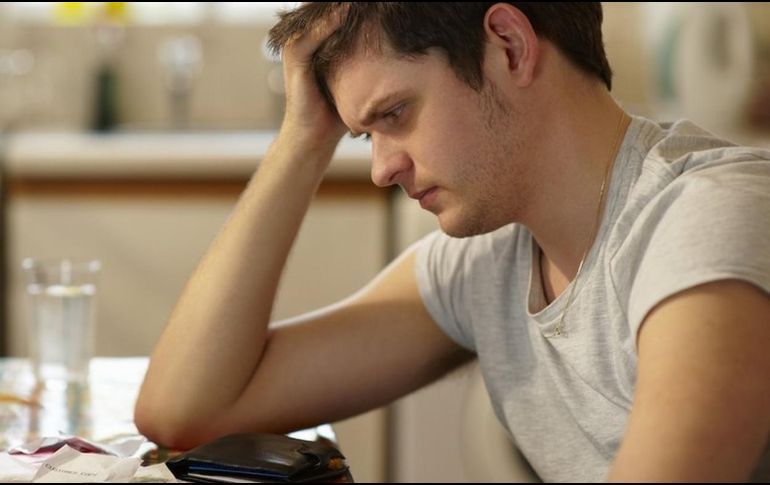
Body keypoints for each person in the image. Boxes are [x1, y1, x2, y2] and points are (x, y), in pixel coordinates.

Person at [134, 3, 770, 482]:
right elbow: (185, 411)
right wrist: (303, 138)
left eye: (394, 114)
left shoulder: (708, 217)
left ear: (510, 46)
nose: (382, 168)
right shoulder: (488, 261)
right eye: (364, 135)